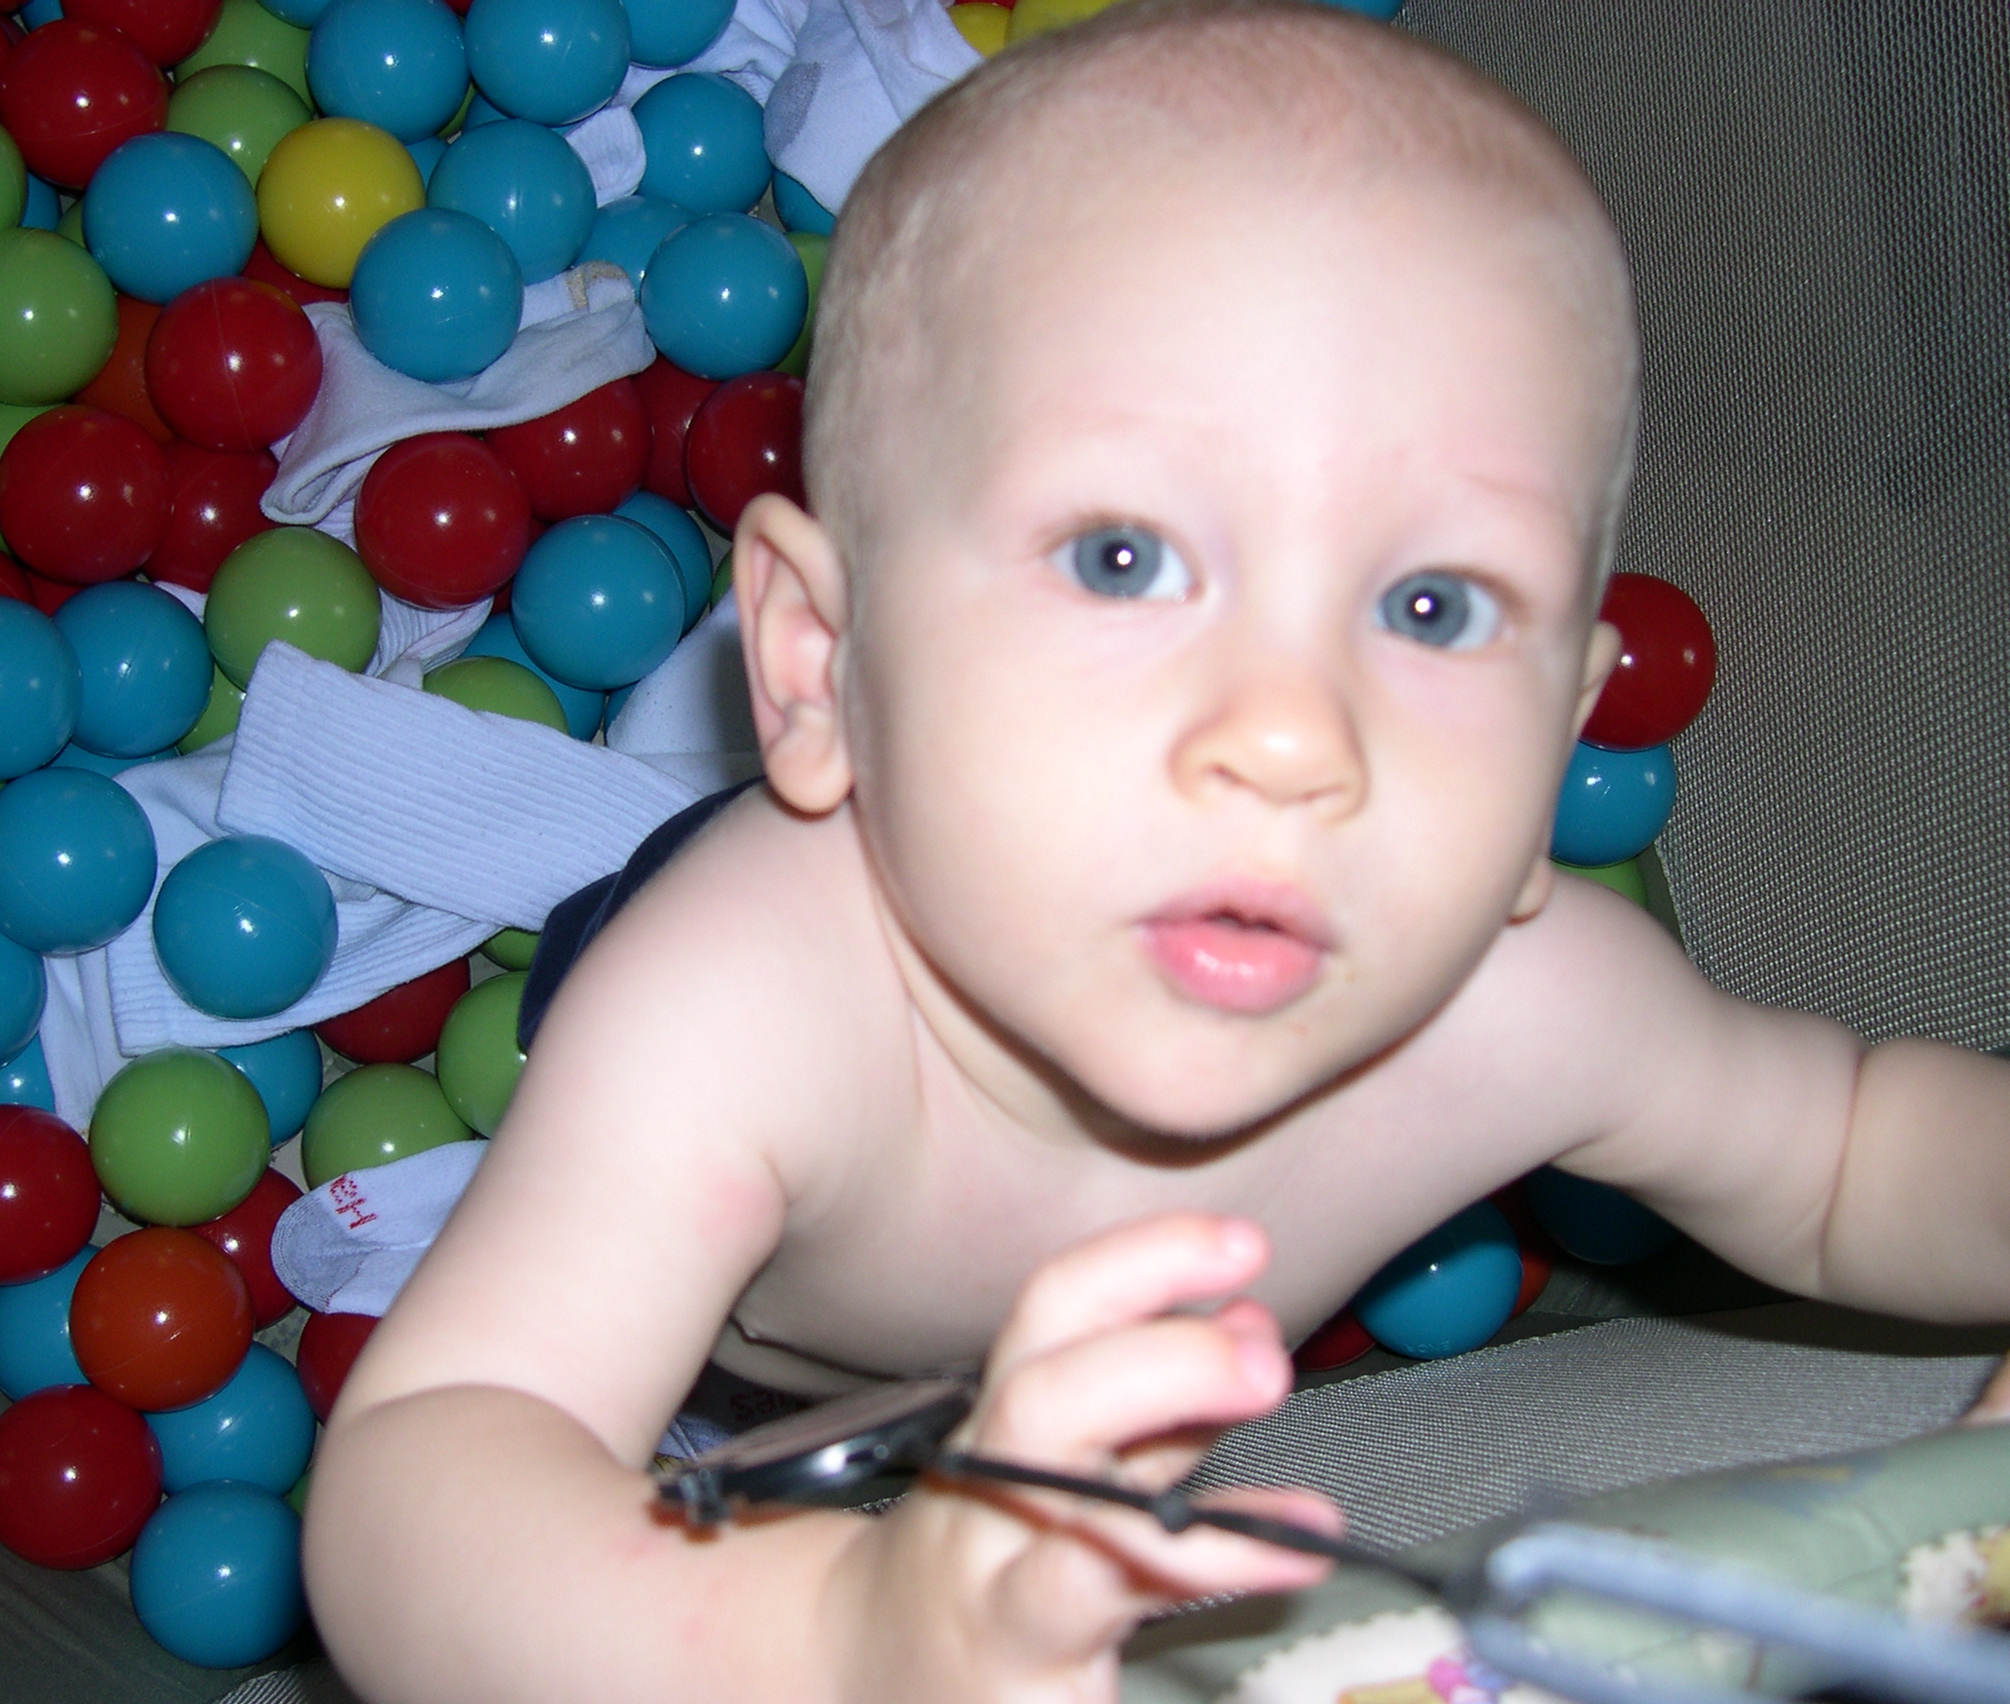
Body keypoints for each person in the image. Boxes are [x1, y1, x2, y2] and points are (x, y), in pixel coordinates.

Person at [301, 3, 2010, 1699]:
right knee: (610, 1089)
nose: (1289, 734)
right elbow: (427, 1478)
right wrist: (830, 1631)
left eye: (1433, 605)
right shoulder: (740, 1013)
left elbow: (1853, 1153)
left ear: (1561, 739)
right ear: (819, 666)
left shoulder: (1534, 1007)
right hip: (762, 1227)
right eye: (1122, 559)